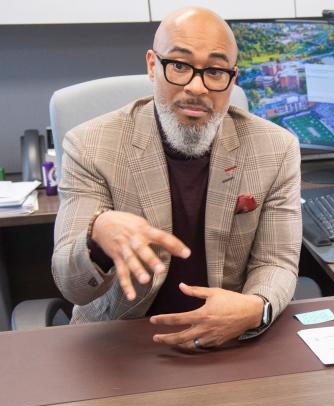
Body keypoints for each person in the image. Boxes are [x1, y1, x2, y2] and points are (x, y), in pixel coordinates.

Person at [51, 6, 301, 351]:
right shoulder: (91, 145)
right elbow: (72, 285)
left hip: (228, 338)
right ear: (153, 66)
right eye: (180, 66)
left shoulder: (276, 148)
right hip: (121, 342)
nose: (197, 87)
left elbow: (277, 262)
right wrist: (97, 235)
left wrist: (258, 308)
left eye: (214, 71)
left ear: (232, 78)